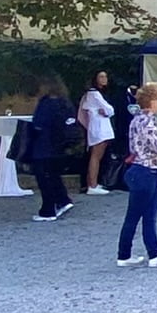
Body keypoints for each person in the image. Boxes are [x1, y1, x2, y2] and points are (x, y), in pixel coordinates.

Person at [115, 82, 157, 268]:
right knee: (147, 215)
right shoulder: (147, 122)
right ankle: (154, 254)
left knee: (134, 215)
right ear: (152, 101)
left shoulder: (137, 119)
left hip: (141, 170)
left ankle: (125, 254)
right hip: (147, 172)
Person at [26, 76, 77, 222]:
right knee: (54, 175)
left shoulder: (46, 103)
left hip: (43, 145)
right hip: (59, 146)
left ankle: (48, 210)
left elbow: (38, 124)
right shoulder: (65, 103)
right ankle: (63, 200)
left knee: (44, 178)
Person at [78, 71, 118, 195]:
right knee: (95, 156)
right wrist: (107, 111)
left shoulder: (97, 94)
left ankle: (93, 182)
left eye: (105, 76)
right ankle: (92, 184)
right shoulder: (94, 94)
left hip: (100, 127)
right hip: (99, 128)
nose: (104, 79)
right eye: (101, 76)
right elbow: (110, 109)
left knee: (97, 156)